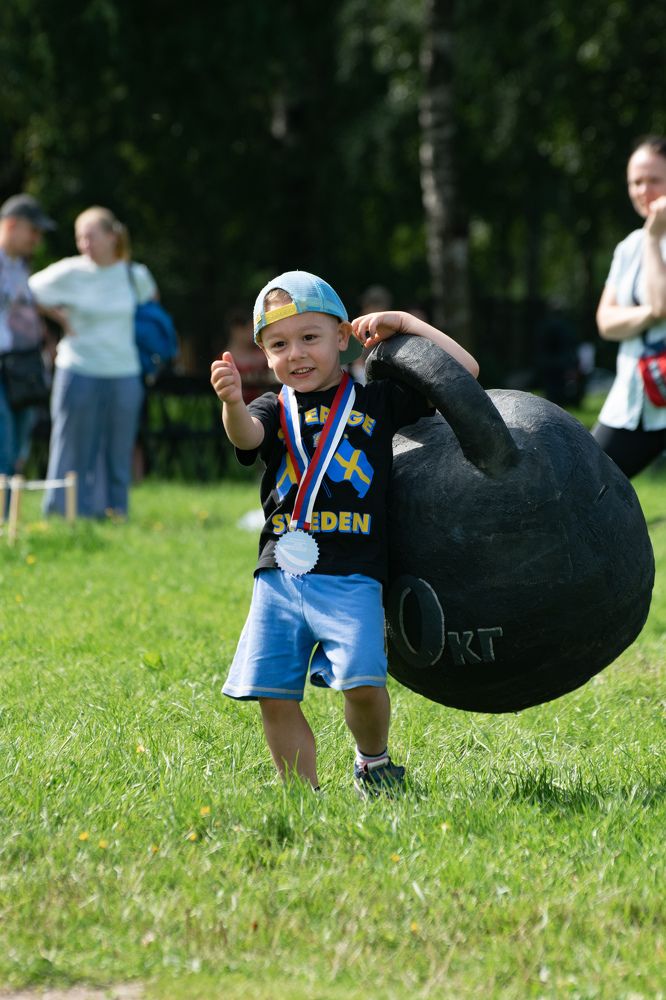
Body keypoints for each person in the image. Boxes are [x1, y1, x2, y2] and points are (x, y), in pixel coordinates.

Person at [210, 270, 479, 794]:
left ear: (341, 337)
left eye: (310, 337)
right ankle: (301, 796)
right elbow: (246, 437)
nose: (296, 354)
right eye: (279, 345)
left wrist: (405, 323)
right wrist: (232, 403)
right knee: (274, 694)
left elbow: (463, 372)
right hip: (280, 574)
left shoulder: (375, 401)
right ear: (264, 354)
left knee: (363, 682)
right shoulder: (272, 408)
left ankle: (373, 762)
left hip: (354, 574)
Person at [29, 206, 158, 517]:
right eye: (80, 238)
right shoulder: (69, 271)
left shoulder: (134, 274)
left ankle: (114, 512)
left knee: (118, 448)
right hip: (78, 368)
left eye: (90, 236)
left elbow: (151, 305)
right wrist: (58, 317)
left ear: (112, 236)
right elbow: (28, 290)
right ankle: (62, 513)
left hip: (124, 371)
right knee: (71, 445)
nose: (84, 244)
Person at [592, 135, 666, 477]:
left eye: (654, 180)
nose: (643, 190)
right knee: (587, 481)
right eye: (636, 182)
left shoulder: (644, 240)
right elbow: (606, 322)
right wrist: (650, 314)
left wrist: (654, 237)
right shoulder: (628, 247)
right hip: (632, 398)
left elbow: (661, 301)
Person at [0, 194, 56, 482]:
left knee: (16, 451)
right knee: (3, 445)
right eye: (33, 230)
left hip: (22, 369)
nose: (37, 239)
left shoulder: (20, 267)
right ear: (11, 225)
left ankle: (9, 508)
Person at [223, 306, 276, 403]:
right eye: (251, 327)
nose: (254, 332)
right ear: (237, 330)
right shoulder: (223, 360)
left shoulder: (263, 356)